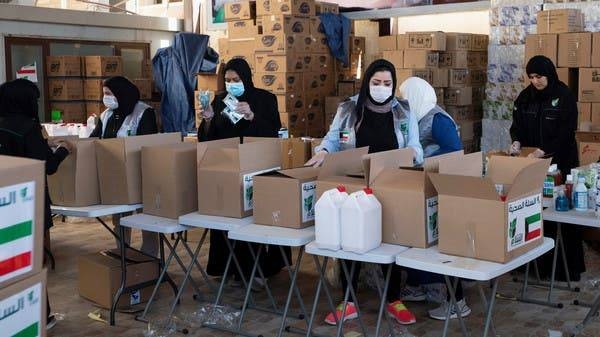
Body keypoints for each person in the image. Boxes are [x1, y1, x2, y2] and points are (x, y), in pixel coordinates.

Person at [305, 59, 424, 325]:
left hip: (391, 181)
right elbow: (333, 138)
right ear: (367, 82)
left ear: (393, 85)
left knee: (390, 239)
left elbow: (416, 146)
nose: (381, 88)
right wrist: (323, 151)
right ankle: (347, 300)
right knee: (351, 238)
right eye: (376, 83)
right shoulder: (349, 108)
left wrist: (412, 155)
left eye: (387, 84)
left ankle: (394, 299)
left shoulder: (403, 110)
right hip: (355, 183)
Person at [197, 58, 287, 288]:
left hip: (257, 165)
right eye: (227, 80)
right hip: (228, 167)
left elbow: (274, 132)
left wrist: (252, 116)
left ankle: (255, 269)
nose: (231, 84)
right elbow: (209, 139)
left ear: (246, 78)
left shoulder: (264, 99)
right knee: (225, 218)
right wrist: (207, 120)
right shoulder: (219, 101)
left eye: (236, 80)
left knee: (252, 219)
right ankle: (225, 267)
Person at [0, 78, 73, 330]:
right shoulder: (29, 127)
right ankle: (43, 315)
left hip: (4, 203)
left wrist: (45, 145)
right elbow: (48, 166)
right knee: (32, 263)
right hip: (27, 205)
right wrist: (64, 148)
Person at [397, 76, 470, 320]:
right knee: (416, 238)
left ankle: (454, 298)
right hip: (421, 184)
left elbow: (454, 149)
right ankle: (418, 285)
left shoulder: (437, 118)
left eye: (406, 97)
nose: (402, 101)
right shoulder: (414, 118)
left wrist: (425, 158)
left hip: (439, 187)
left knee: (438, 242)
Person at [509, 55, 584, 281]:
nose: (535, 81)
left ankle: (563, 270)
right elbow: (517, 126)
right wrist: (516, 141)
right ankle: (532, 267)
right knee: (533, 212)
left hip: (560, 164)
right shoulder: (525, 98)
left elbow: (566, 132)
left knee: (560, 216)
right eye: (531, 77)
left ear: (549, 74)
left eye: (539, 76)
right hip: (533, 165)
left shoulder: (564, 97)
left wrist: (545, 150)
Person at [89, 76, 160, 257]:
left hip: (141, 175)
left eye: (109, 93)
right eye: (104, 94)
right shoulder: (106, 115)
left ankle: (149, 258)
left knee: (147, 220)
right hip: (115, 176)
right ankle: (123, 255)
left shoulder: (144, 112)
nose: (105, 98)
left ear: (121, 93)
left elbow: (150, 143)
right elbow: (95, 139)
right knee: (120, 219)